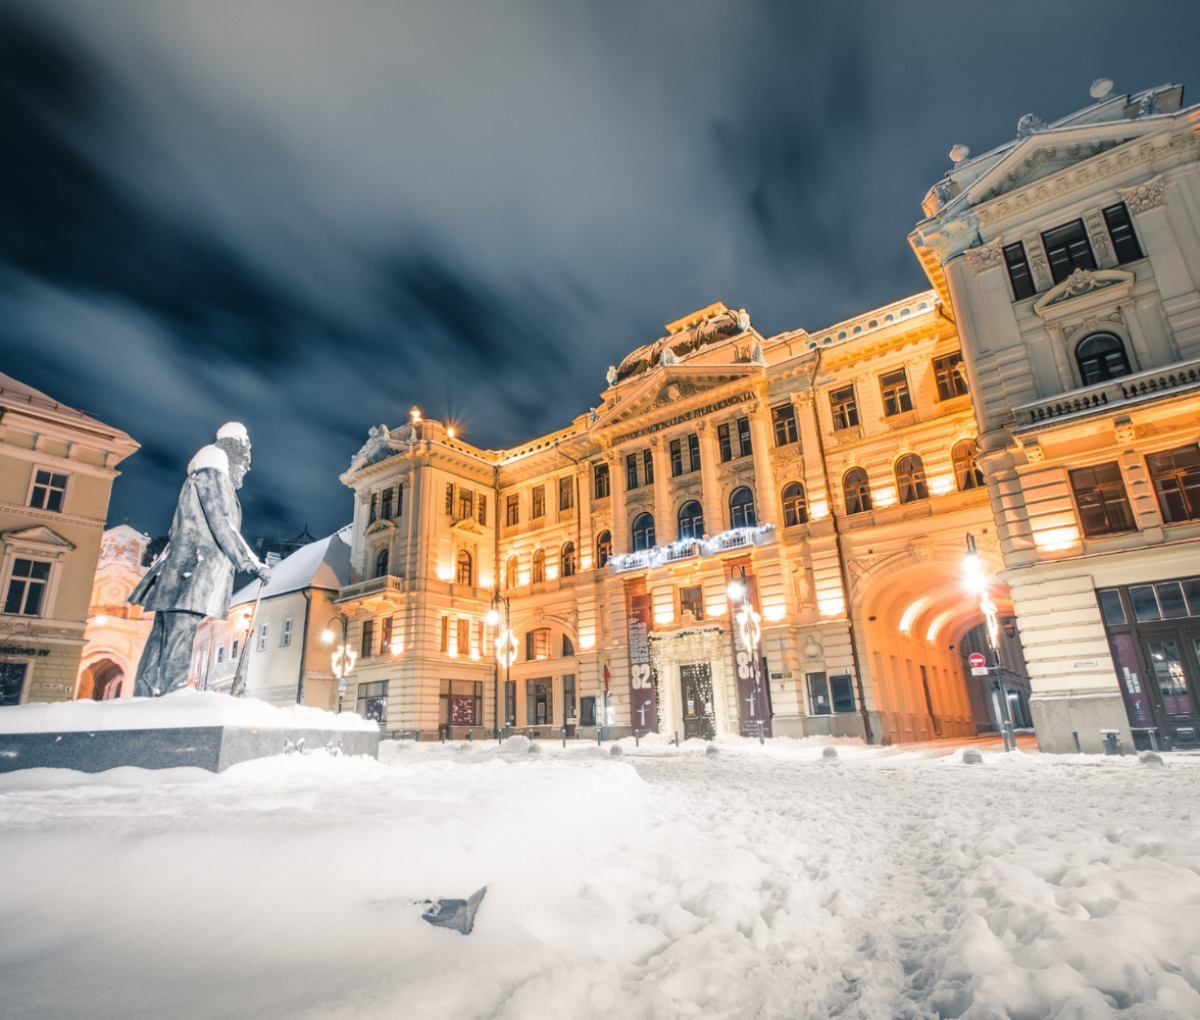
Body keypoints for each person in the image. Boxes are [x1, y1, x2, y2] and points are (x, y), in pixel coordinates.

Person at [129, 423, 271, 696]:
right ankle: (172, 691)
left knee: (163, 637)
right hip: (192, 570)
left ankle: (146, 694)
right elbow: (221, 521)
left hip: (182, 568)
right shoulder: (212, 469)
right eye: (245, 458)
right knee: (178, 633)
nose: (247, 467)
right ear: (233, 449)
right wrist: (250, 561)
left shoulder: (210, 472)